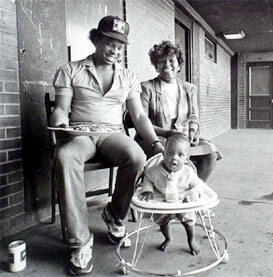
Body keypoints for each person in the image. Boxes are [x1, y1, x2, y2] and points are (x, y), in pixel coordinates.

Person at [50, 16, 161, 275]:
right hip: (81, 135)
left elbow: (139, 116)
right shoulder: (71, 69)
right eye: (110, 43)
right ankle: (80, 242)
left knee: (136, 155)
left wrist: (155, 143)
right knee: (65, 157)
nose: (115, 51)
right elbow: (61, 109)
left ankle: (114, 214)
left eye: (120, 46)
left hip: (112, 135)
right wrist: (60, 122)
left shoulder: (128, 76)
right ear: (97, 39)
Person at [135, 40, 221, 182]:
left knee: (210, 153)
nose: (167, 65)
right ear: (156, 66)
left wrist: (192, 133)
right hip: (155, 139)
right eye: (162, 62)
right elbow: (141, 120)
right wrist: (167, 133)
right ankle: (161, 188)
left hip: (182, 138)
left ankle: (191, 187)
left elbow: (193, 116)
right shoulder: (146, 88)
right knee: (169, 154)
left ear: (179, 65)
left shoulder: (189, 88)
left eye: (171, 60)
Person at [137, 133, 204, 255]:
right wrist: (147, 190)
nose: (174, 158)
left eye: (180, 155)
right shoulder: (154, 171)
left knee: (188, 221)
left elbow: (198, 185)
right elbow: (148, 179)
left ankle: (191, 240)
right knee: (162, 222)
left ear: (186, 157)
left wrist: (194, 193)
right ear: (163, 153)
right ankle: (168, 238)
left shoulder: (188, 173)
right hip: (162, 202)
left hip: (183, 201)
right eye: (170, 153)